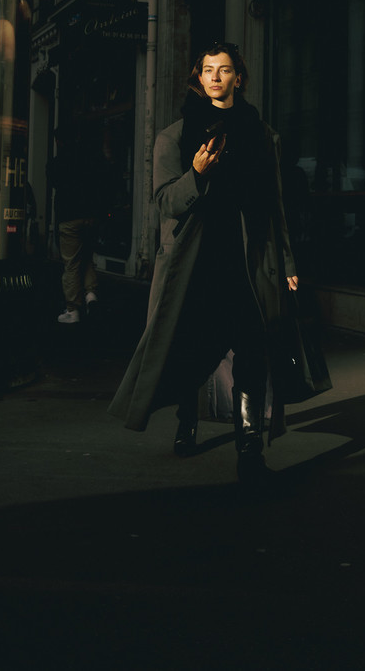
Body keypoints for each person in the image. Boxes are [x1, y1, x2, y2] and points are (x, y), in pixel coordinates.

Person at [108, 41, 299, 484]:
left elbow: (274, 205)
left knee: (252, 346)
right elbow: (164, 204)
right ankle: (186, 419)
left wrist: (286, 260)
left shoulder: (260, 133)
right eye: (208, 69)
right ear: (198, 77)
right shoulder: (173, 137)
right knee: (195, 347)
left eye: (225, 69)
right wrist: (196, 175)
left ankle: (249, 448)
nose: (216, 76)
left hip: (248, 260)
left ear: (238, 78)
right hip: (194, 263)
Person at [47, 125, 115, 324]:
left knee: (71, 263)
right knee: (86, 258)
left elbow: (54, 183)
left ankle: (72, 309)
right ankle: (91, 295)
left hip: (69, 218)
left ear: (58, 141)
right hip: (90, 217)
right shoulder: (89, 159)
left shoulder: (56, 163)